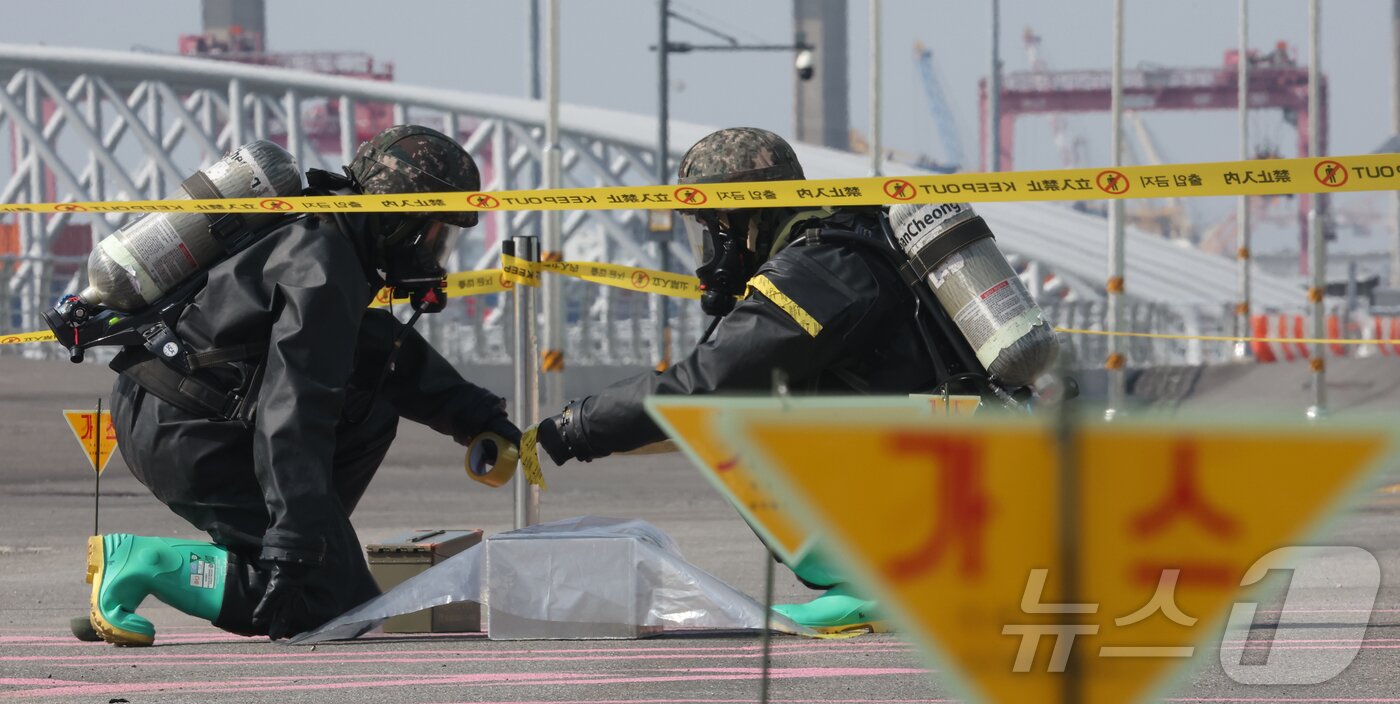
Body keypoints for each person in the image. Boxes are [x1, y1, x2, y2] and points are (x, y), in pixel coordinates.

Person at [530, 127, 986, 632]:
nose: (707, 249)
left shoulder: (815, 270)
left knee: (730, 426)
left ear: (742, 219)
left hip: (938, 475)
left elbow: (708, 382)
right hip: (952, 463)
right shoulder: (844, 247)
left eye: (709, 227)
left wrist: (575, 427)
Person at [86, 125, 520, 646]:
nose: (436, 252)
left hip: (172, 406)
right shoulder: (323, 263)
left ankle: (287, 547)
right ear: (400, 216)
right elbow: (294, 403)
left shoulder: (324, 234)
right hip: (187, 428)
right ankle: (146, 564)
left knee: (373, 410)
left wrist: (477, 417)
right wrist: (293, 545)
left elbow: (377, 353)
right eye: (434, 232)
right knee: (330, 605)